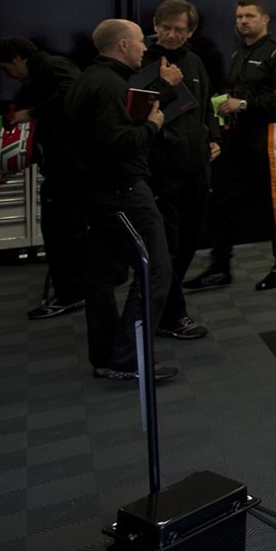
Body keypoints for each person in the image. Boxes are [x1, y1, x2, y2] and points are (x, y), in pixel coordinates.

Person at [62, 19, 176, 382]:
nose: (146, 48)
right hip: (122, 191)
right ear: (124, 45)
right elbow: (117, 142)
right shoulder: (110, 85)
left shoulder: (85, 80)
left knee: (99, 275)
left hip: (93, 192)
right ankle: (127, 357)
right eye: (141, 42)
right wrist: (153, 125)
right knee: (155, 270)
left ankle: (107, 354)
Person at [186, 0, 276, 291]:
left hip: (269, 132)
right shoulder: (238, 55)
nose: (243, 21)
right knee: (222, 198)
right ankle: (219, 267)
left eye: (249, 16)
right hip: (237, 136)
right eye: (239, 17)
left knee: (275, 200)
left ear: (265, 20)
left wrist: (243, 104)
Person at [0, 36, 85, 320]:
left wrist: (31, 112)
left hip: (70, 168)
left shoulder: (54, 67)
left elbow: (74, 93)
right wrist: (9, 166)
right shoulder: (34, 81)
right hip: (57, 165)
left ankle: (71, 293)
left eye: (7, 68)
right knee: (59, 232)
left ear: (18, 57)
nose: (8, 76)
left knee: (64, 233)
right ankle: (70, 288)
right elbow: (34, 133)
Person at [142, 0, 218, 340]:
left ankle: (163, 307)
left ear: (191, 31)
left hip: (197, 166)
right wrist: (165, 84)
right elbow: (133, 111)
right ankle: (172, 315)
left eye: (179, 29)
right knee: (166, 245)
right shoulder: (142, 62)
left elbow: (205, 108)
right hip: (161, 169)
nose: (171, 35)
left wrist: (214, 138)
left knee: (191, 238)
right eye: (166, 27)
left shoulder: (195, 61)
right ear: (155, 25)